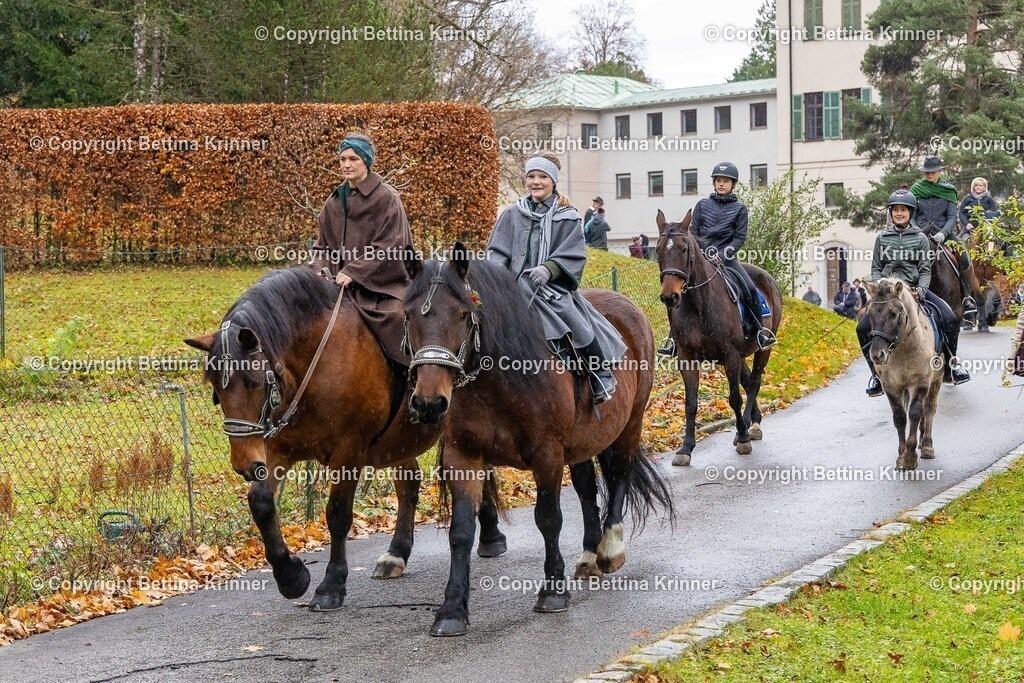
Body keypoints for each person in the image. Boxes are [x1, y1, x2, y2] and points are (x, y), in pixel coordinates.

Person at [487, 154, 627, 404]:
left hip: (549, 287)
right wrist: (496, 276)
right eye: (531, 177)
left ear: (553, 181)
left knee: (572, 317)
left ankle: (600, 374)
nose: (536, 182)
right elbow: (497, 251)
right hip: (511, 287)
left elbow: (573, 253)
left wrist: (549, 270)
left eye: (542, 177)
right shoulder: (511, 214)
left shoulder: (568, 216)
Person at [309, 132, 413, 364]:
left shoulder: (387, 199)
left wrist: (354, 272)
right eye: (342, 159)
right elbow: (321, 247)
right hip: (337, 287)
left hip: (382, 288)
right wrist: (318, 272)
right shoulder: (334, 201)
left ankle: (407, 382)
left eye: (353, 159)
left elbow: (391, 246)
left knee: (397, 319)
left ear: (366, 161)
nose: (347, 164)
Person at [859, 189, 970, 397]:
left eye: (903, 210)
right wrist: (879, 285)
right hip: (888, 292)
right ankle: (876, 375)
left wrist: (921, 289)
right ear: (891, 213)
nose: (899, 213)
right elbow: (876, 267)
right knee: (862, 326)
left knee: (950, 318)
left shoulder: (920, 238)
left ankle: (952, 364)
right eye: (896, 210)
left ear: (910, 212)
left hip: (914, 289)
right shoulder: (882, 238)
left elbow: (925, 269)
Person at [658, 161, 776, 356]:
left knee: (748, 288)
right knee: (676, 292)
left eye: (726, 181)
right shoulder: (702, 205)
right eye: (718, 181)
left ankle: (760, 331)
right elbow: (693, 233)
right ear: (714, 183)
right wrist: (701, 252)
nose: (721, 184)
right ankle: (672, 339)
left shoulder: (740, 209)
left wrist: (724, 253)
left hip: (726, 259)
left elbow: (739, 237)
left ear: (733, 184)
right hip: (700, 258)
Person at [911, 155, 978, 320]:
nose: (929, 175)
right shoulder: (915, 190)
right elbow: (910, 216)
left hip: (945, 234)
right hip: (919, 234)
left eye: (932, 172)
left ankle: (967, 297)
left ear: (940, 171)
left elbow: (951, 217)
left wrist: (943, 233)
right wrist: (916, 231)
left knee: (963, 252)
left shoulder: (949, 190)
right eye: (926, 172)